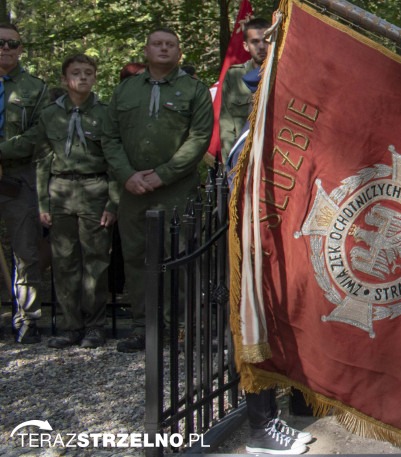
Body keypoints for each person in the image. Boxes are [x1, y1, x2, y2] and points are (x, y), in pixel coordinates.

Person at [102, 28, 214, 353]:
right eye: (157, 44)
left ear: (179, 52)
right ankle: (144, 327)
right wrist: (127, 175)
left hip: (176, 191)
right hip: (133, 191)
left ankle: (181, 329)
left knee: (178, 257)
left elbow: (199, 138)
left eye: (170, 44)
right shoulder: (124, 90)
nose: (163, 48)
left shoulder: (194, 90)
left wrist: (163, 175)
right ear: (146, 50)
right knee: (137, 258)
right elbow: (109, 138)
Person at [0, 54, 118, 348]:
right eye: (75, 73)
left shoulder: (105, 114)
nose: (82, 77)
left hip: (95, 189)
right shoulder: (50, 115)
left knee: (96, 261)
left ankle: (95, 325)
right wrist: (43, 203)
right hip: (60, 190)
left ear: (95, 78)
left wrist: (112, 202)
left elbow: (116, 159)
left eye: (88, 73)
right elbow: (40, 158)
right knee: (64, 261)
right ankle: (69, 326)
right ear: (64, 80)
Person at [225, 67, 311, 455]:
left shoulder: (276, 138)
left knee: (273, 341)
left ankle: (271, 421)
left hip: (277, 261)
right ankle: (260, 431)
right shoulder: (248, 142)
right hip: (254, 265)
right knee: (253, 343)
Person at [0, 22, 50, 344]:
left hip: (17, 176)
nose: (5, 49)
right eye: (1, 43)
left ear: (20, 49)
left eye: (12, 44)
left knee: (25, 250)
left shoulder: (36, 89)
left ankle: (27, 319)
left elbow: (38, 134)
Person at [220, 18, 271, 163]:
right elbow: (227, 124)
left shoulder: (286, 74)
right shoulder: (234, 76)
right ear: (246, 46)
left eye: (266, 40)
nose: (261, 46)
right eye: (255, 42)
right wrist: (230, 164)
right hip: (243, 157)